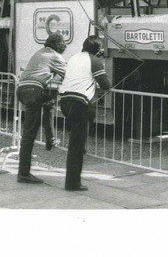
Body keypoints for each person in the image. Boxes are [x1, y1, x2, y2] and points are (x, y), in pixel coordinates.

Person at [57, 36, 111, 192]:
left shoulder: (74, 57)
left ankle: (73, 178)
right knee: (76, 145)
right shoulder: (94, 60)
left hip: (66, 101)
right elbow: (106, 84)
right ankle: (72, 183)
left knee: (76, 140)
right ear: (98, 50)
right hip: (80, 103)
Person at [15, 32, 68, 184]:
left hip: (23, 89)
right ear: (59, 45)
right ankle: (23, 173)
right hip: (33, 90)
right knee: (29, 134)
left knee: (48, 103)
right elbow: (67, 74)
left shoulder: (39, 52)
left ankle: (50, 138)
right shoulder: (55, 56)